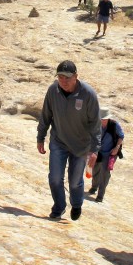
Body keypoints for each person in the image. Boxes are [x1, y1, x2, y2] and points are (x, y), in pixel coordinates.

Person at [37, 61, 101, 221]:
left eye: (67, 77)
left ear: (76, 77)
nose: (63, 81)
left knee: (74, 182)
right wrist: (40, 137)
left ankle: (77, 204)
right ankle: (59, 207)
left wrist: (94, 150)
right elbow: (46, 115)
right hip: (59, 141)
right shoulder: (53, 91)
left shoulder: (88, 94)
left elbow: (95, 123)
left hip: (80, 145)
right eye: (60, 77)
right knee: (55, 178)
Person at [87, 108, 124, 203]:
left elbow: (121, 136)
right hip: (97, 152)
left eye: (104, 118)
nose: (102, 120)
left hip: (110, 153)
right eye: (101, 118)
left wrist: (117, 148)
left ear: (108, 118)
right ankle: (94, 187)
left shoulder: (114, 125)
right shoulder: (95, 124)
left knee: (105, 174)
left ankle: (100, 195)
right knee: (95, 170)